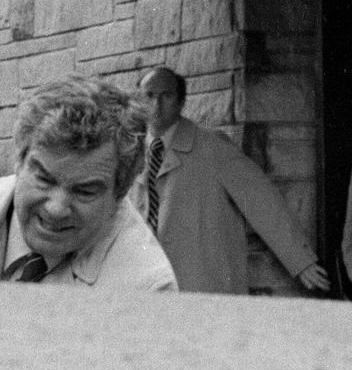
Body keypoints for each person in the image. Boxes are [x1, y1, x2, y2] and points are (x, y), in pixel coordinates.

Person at [0, 75, 177, 290]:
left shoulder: (147, 286)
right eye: (43, 179)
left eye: (85, 191)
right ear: (19, 161)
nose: (56, 209)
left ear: (121, 191)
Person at [133, 66, 329, 295]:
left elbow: (260, 199)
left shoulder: (212, 147)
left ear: (181, 101)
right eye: (150, 95)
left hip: (201, 290)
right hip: (148, 289)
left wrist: (299, 260)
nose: (157, 104)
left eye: (166, 95)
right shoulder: (129, 153)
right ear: (138, 101)